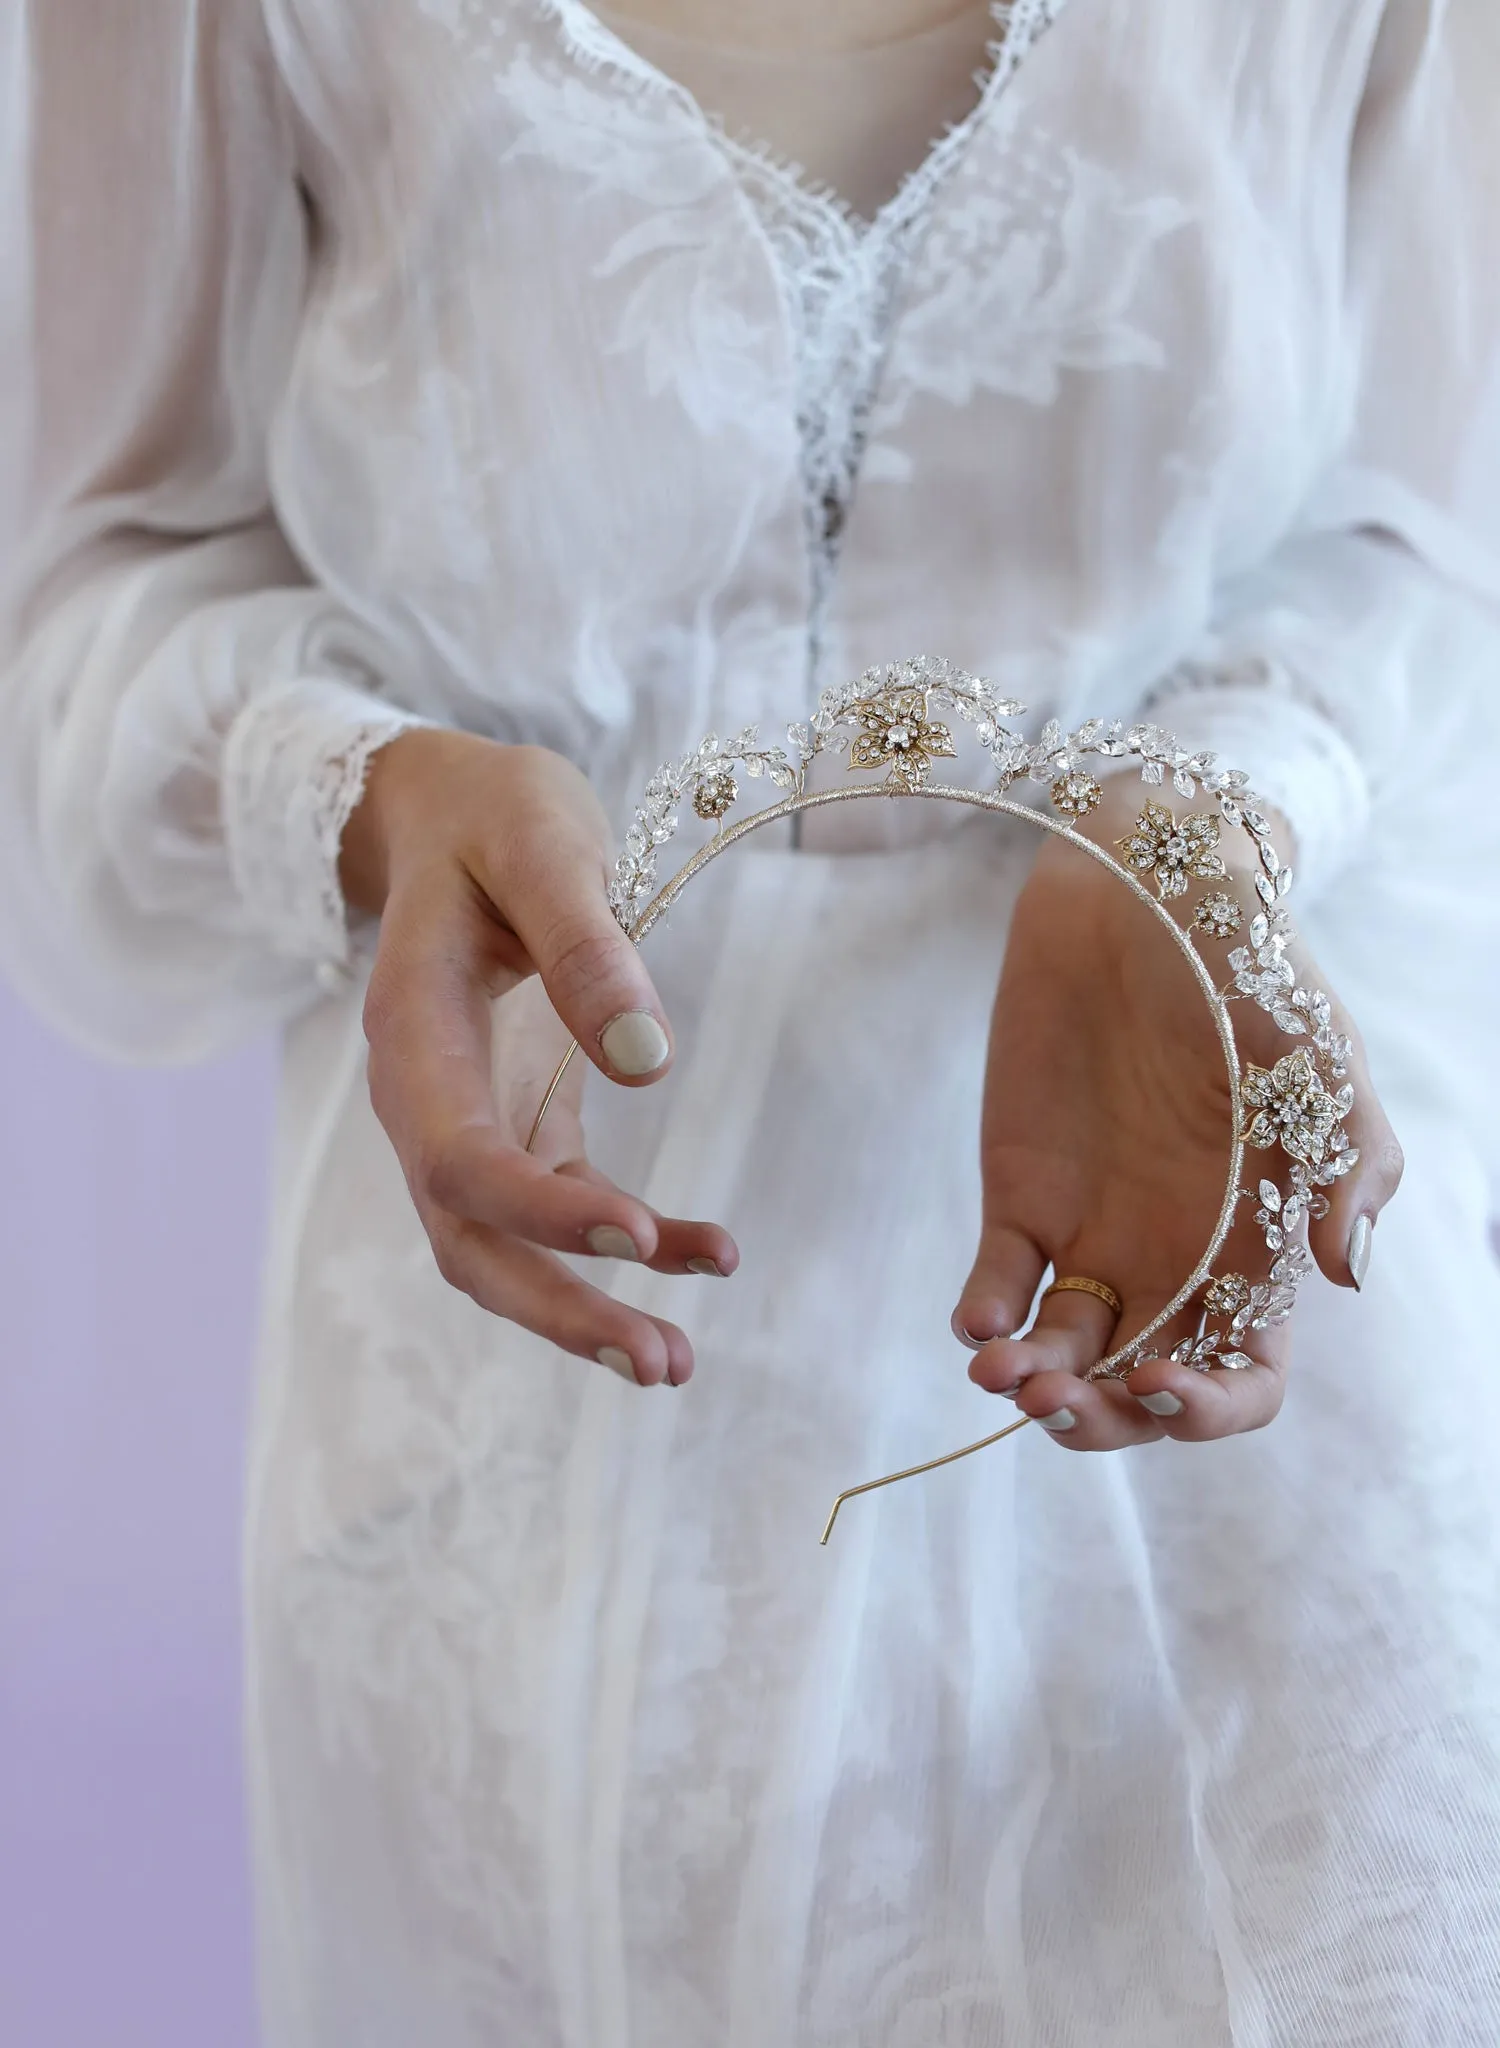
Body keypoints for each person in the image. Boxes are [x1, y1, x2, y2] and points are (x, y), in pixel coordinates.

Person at [3, 1, 1499, 2039]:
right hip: (532, 1421)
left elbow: (1430, 532)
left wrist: (1209, 816)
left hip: (1209, 1307)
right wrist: (369, 790)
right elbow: (96, 587)